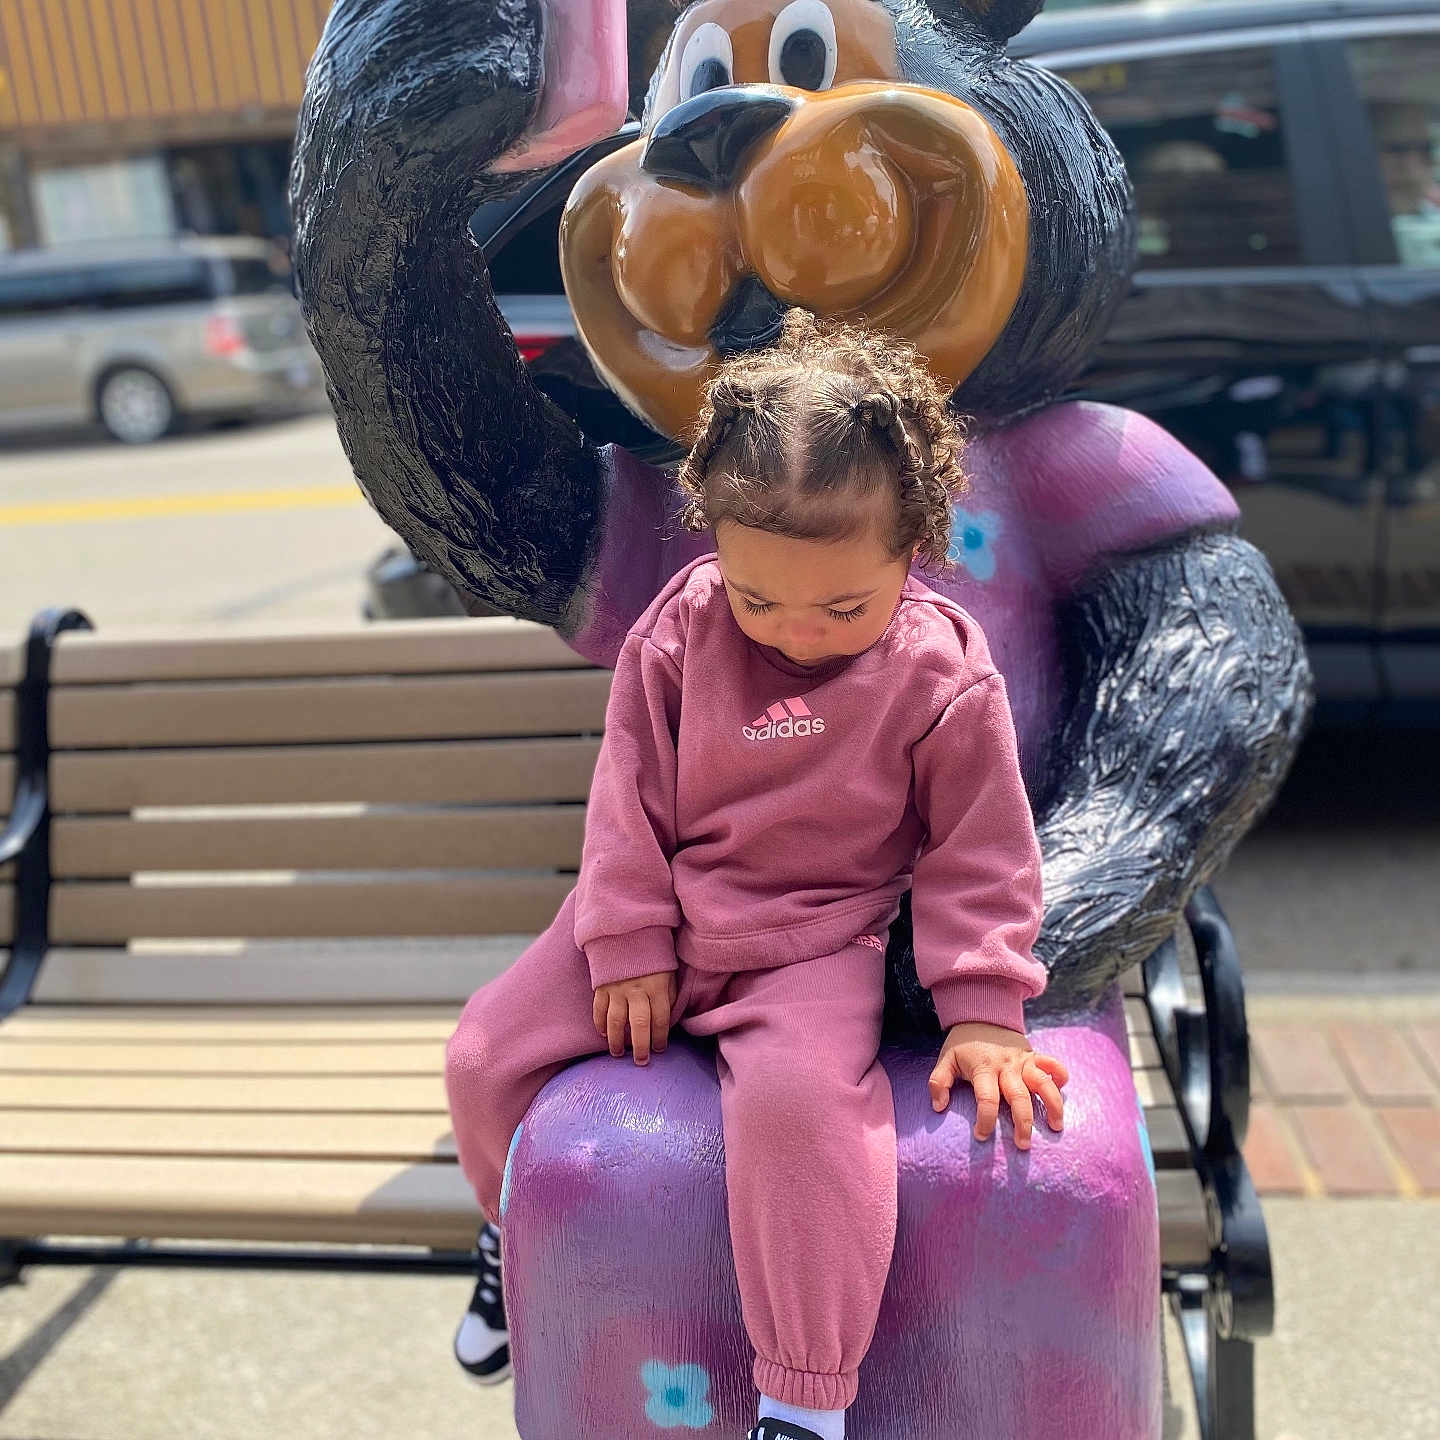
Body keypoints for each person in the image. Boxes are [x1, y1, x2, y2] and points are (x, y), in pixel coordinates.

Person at [444, 310, 1069, 1440]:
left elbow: (979, 848)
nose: (800, 632)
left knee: (806, 1125)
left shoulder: (941, 672)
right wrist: (628, 940)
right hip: (660, 911)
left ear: (913, 546)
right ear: (713, 549)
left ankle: (802, 1402)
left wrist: (986, 1011)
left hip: (811, 940)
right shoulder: (680, 631)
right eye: (758, 597)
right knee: (486, 1053)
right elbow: (627, 796)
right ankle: (507, 1231)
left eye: (844, 606)